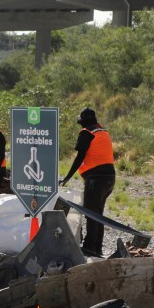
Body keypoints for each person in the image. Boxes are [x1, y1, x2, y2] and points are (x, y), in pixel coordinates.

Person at [60, 107, 115, 257]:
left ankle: (90, 247)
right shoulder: (102, 131)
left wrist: (67, 177)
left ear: (84, 122)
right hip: (109, 178)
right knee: (98, 214)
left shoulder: (86, 133)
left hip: (96, 180)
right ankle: (97, 248)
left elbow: (80, 157)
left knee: (91, 214)